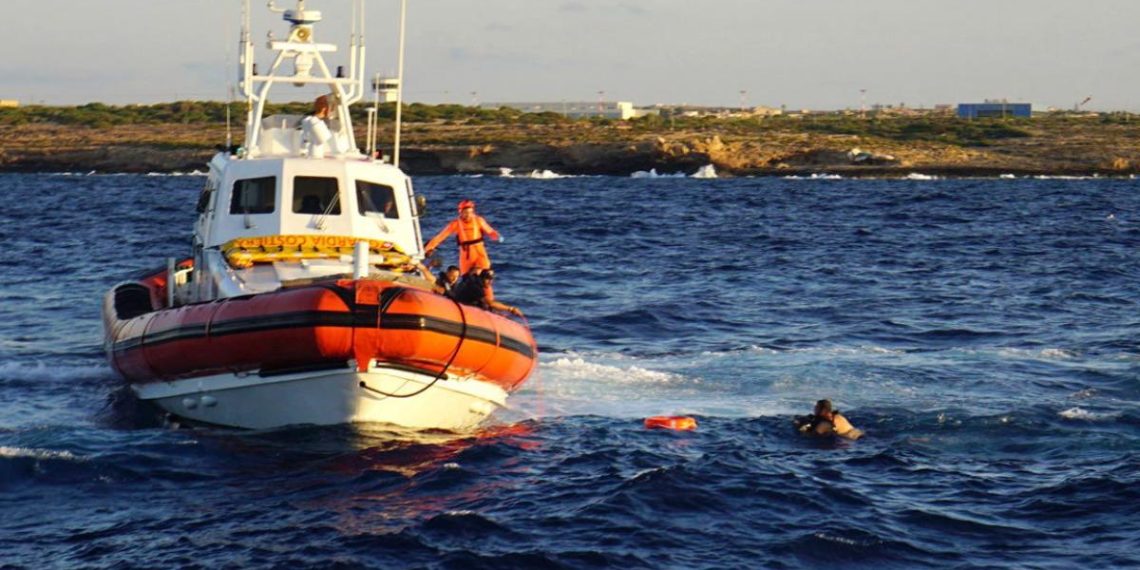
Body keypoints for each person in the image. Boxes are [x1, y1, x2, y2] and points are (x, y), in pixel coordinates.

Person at [423, 200, 502, 275]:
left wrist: (497, 236)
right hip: (466, 254)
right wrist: (427, 248)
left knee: (485, 274)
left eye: (470, 212)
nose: (468, 215)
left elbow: (490, 231)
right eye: (466, 212)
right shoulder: (455, 224)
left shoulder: (479, 220)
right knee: (466, 277)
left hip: (480, 252)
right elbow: (440, 237)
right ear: (460, 212)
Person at [450, 269, 523, 317]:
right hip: (462, 310)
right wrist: (511, 309)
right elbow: (490, 303)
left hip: (459, 306)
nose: (490, 282)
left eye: (491, 279)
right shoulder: (476, 287)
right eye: (488, 279)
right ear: (482, 278)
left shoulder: (470, 281)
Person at [793, 399, 863, 440]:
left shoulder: (824, 424)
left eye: (816, 407)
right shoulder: (838, 416)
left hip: (846, 441)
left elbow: (813, 436)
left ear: (823, 410)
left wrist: (801, 430)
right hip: (858, 434)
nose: (814, 409)